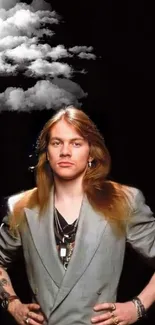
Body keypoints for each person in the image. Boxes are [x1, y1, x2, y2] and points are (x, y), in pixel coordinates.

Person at [0, 106, 155, 325]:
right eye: (57, 143)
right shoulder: (21, 207)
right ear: (47, 154)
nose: (65, 151)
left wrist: (137, 306)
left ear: (91, 152)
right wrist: (13, 304)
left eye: (76, 143)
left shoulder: (123, 200)